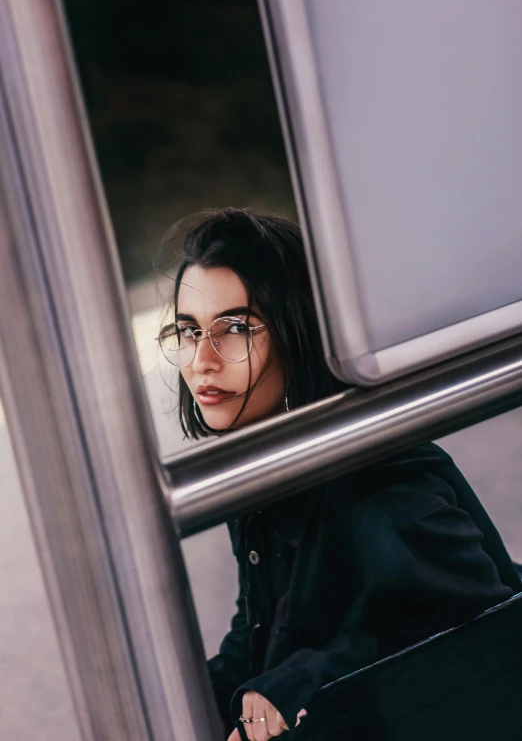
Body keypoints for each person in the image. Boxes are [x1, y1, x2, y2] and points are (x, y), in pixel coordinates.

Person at [156, 207, 521, 741]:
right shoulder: (261, 465)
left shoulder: (376, 479)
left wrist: (301, 680)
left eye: (234, 329)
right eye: (188, 331)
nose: (201, 361)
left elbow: (467, 618)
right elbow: (260, 623)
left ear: (298, 329)